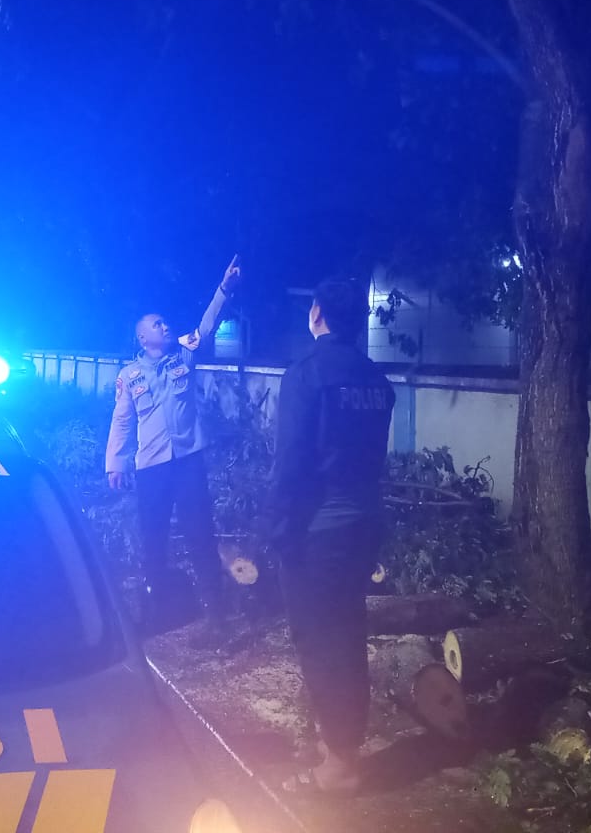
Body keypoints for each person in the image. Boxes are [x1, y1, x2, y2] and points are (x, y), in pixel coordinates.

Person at [267, 277, 395, 794]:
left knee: (321, 642)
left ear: (317, 313)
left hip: (317, 533)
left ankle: (340, 766)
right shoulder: (376, 379)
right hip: (362, 524)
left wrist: (278, 532)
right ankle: (339, 745)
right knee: (347, 633)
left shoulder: (307, 376)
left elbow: (290, 465)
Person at [106, 255, 241, 636]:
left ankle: (216, 617)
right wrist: (115, 462)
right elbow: (122, 420)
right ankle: (156, 614)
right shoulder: (129, 375)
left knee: (201, 535)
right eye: (157, 324)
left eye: (165, 323)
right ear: (142, 337)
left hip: (188, 461)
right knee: (153, 540)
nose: (165, 326)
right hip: (151, 467)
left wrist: (224, 289)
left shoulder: (182, 354)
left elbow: (207, 327)